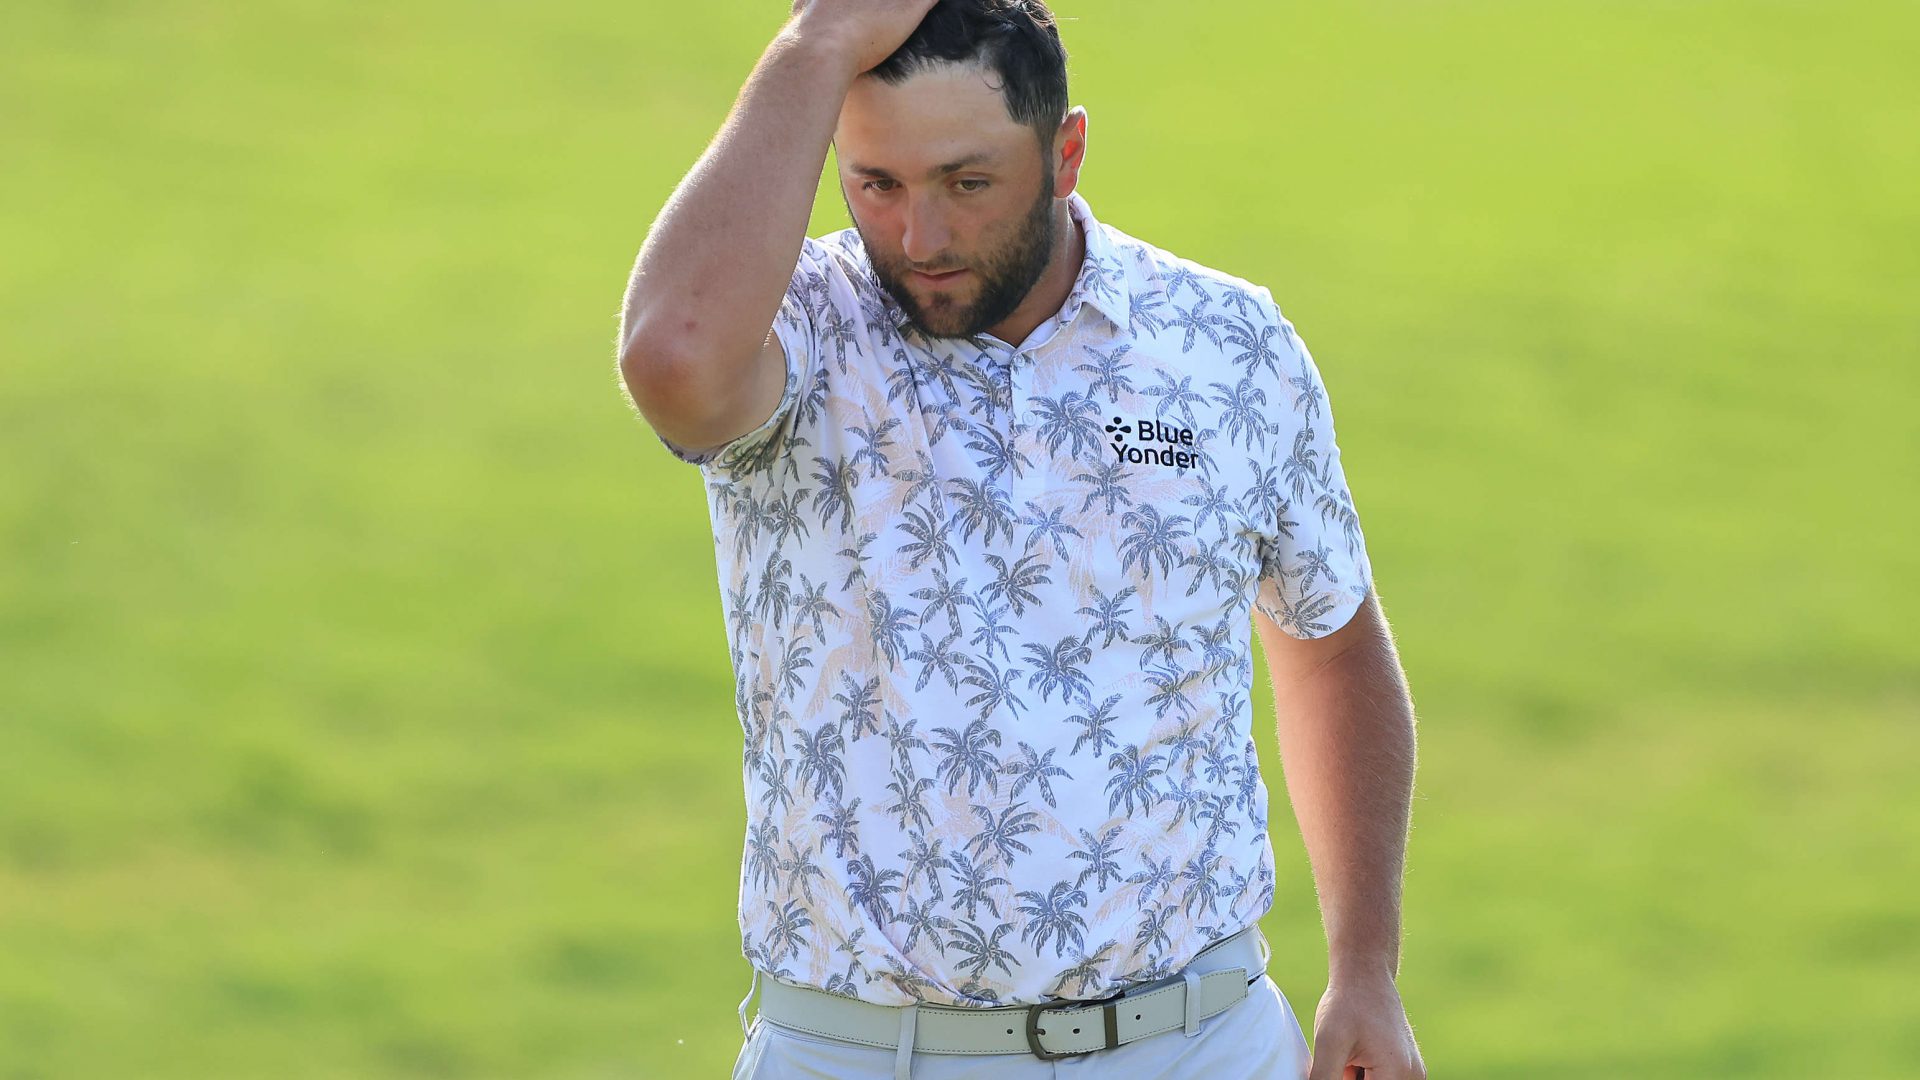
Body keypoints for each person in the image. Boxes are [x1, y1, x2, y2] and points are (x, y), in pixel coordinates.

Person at [615, 1, 1426, 1077]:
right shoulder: (799, 331)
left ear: (1066, 153)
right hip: (860, 1056)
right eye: (877, 185)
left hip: (1198, 1047)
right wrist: (816, 43)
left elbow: (1330, 645)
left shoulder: (1227, 344)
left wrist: (1364, 969)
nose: (922, 237)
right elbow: (671, 359)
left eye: (968, 182)